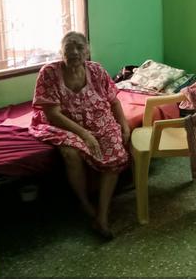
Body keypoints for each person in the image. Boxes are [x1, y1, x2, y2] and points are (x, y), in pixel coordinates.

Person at [28, 31, 130, 239]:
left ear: (87, 51)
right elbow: (53, 114)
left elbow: (114, 101)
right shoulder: (49, 73)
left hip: (99, 120)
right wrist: (85, 135)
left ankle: (102, 216)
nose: (74, 52)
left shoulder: (97, 70)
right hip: (64, 124)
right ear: (61, 51)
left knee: (116, 154)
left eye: (79, 47)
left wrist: (124, 125)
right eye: (69, 47)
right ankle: (84, 203)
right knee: (70, 153)